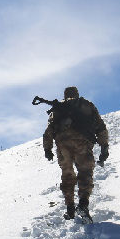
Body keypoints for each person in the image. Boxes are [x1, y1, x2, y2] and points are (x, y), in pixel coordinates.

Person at [42, 86, 109, 222]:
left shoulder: (58, 107)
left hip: (62, 144)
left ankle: (70, 209)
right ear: (77, 94)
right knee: (85, 172)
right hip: (82, 142)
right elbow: (100, 127)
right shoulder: (86, 105)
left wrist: (47, 149)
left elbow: (48, 131)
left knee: (67, 175)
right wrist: (104, 146)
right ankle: (83, 205)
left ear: (65, 95)